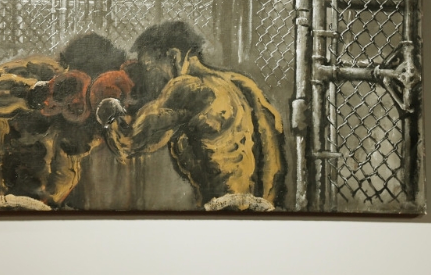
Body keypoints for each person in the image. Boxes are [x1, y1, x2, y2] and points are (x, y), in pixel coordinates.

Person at [96, 21, 287, 211]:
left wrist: (109, 111)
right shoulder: (241, 83)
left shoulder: (187, 88)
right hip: (258, 206)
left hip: (223, 207)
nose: (148, 76)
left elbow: (127, 143)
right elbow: (272, 146)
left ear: (174, 56)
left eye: (149, 67)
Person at [0, 33, 127, 210]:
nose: (80, 99)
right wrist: (35, 93)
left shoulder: (99, 111)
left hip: (52, 201)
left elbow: (119, 149)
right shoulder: (42, 71)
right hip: (9, 188)